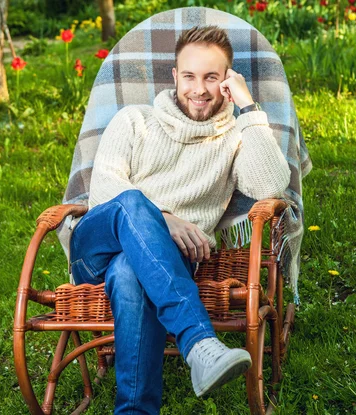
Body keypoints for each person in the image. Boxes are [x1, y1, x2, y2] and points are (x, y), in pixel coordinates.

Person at [69, 26, 291, 414]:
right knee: (131, 203)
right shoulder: (134, 120)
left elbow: (270, 184)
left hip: (167, 261)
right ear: (174, 77)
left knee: (129, 272)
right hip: (96, 247)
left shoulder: (234, 138)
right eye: (189, 76)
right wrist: (165, 219)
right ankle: (199, 344)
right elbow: (105, 192)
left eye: (212, 77)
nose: (199, 89)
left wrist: (248, 105)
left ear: (227, 80)